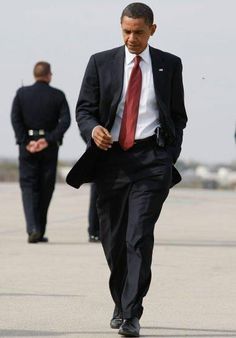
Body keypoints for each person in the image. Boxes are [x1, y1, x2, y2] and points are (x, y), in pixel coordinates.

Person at [67, 3, 187, 337]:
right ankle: (120, 302)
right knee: (113, 239)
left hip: (151, 162)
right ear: (120, 28)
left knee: (138, 237)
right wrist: (93, 130)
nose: (131, 38)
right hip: (111, 162)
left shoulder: (169, 65)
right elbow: (85, 109)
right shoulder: (100, 62)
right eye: (126, 31)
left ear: (152, 29)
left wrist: (168, 156)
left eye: (138, 31)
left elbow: (178, 115)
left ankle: (133, 312)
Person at [11, 61, 71, 244]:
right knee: (46, 187)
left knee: (29, 188)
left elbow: (15, 119)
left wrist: (25, 141)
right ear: (49, 75)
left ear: (34, 74)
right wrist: (48, 139)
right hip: (49, 148)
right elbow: (66, 121)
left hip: (27, 148)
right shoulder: (58, 95)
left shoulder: (21, 94)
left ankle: (33, 228)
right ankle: (39, 229)